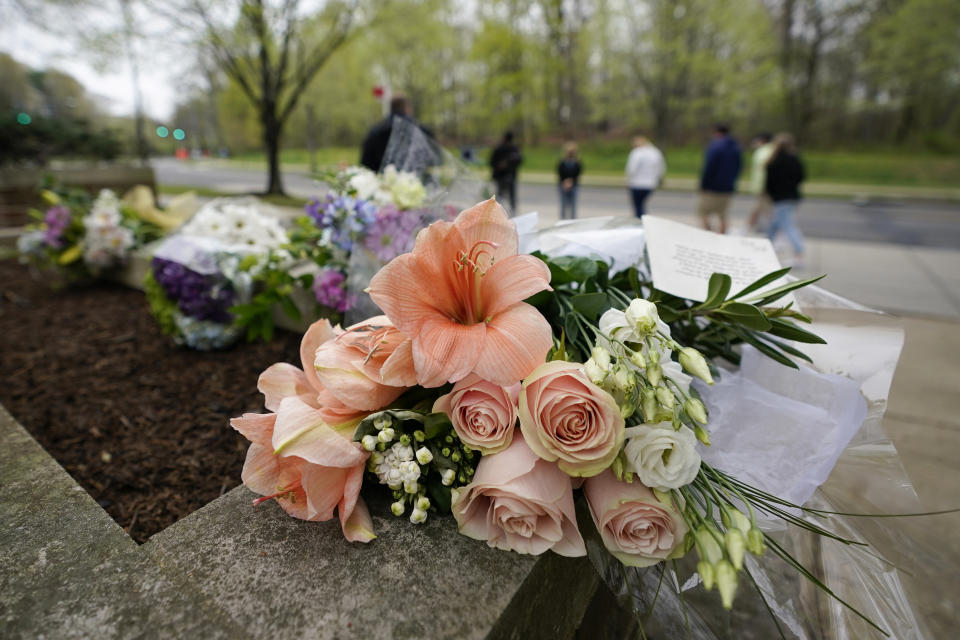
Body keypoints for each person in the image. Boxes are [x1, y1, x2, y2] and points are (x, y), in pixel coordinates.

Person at [360, 95, 432, 172]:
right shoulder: (421, 130)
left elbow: (365, 163)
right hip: (414, 180)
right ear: (407, 108)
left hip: (380, 181)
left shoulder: (374, 131)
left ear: (391, 108)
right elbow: (433, 158)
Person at [765, 133, 806, 267]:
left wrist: (771, 194)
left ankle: (799, 254)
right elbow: (801, 177)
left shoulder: (774, 161)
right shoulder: (795, 159)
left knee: (787, 225)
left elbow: (769, 182)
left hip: (780, 198)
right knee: (774, 224)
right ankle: (766, 249)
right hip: (792, 196)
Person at [697, 123, 742, 233]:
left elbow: (709, 166)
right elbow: (739, 167)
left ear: (716, 132)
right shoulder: (736, 147)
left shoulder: (715, 146)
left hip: (712, 186)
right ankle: (722, 234)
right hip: (728, 185)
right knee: (723, 213)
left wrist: (703, 184)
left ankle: (707, 233)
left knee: (703, 211)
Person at [625, 135, 666, 218]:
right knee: (642, 204)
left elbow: (632, 169)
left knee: (638, 206)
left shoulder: (637, 152)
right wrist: (658, 178)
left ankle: (640, 222)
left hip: (637, 183)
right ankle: (644, 220)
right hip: (650, 183)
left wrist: (628, 179)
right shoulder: (656, 152)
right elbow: (661, 167)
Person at [746, 133, 775, 231]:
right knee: (759, 207)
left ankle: (776, 231)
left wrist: (761, 186)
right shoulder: (771, 150)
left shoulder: (763, 152)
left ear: (761, 140)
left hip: (763, 186)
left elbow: (763, 171)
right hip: (765, 186)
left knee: (767, 210)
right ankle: (750, 226)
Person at [489, 131, 522, 214]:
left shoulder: (502, 148)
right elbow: (519, 160)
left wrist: (504, 164)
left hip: (506, 175)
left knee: (504, 195)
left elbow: (491, 162)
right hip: (505, 176)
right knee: (503, 195)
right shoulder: (513, 149)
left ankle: (503, 211)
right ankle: (502, 211)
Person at [557, 142, 582, 221]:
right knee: (563, 205)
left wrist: (571, 181)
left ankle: (572, 220)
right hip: (563, 185)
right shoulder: (562, 162)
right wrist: (565, 182)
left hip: (574, 185)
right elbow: (560, 172)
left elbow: (578, 172)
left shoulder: (577, 162)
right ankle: (563, 220)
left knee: (573, 205)